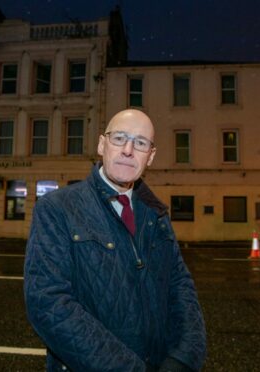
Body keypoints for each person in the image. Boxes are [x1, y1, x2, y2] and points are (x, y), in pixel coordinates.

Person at [24, 109, 206, 371]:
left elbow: (180, 286)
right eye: (119, 138)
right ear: (102, 144)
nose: (128, 150)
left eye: (141, 143)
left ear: (151, 156)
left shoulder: (156, 213)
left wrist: (184, 358)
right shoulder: (57, 208)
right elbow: (48, 303)